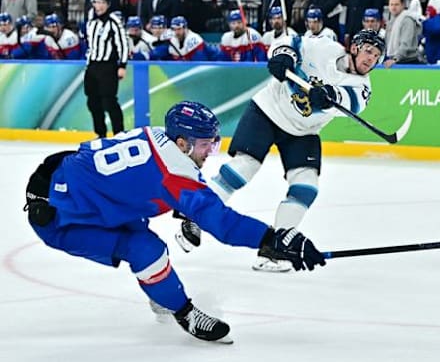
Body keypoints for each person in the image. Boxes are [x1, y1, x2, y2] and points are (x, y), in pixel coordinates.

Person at [24, 101, 326, 343]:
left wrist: (39, 183)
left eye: (214, 143)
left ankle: (162, 294)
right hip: (61, 220)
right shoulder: (175, 174)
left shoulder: (154, 134)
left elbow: (87, 158)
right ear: (182, 143)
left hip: (88, 199)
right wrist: (273, 240)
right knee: (146, 250)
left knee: (145, 242)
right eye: (205, 145)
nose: (210, 152)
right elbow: (223, 224)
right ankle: (184, 312)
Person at [174, 30, 385, 272]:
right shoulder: (324, 47)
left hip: (302, 131)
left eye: (376, 56)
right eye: (368, 51)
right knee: (244, 167)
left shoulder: (362, 87)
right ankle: (195, 213)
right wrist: (284, 55)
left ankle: (275, 248)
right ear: (355, 48)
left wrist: (330, 95)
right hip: (267, 110)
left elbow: (350, 102)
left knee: (307, 185)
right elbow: (289, 42)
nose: (371, 59)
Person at [85, 0, 130, 138]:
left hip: (108, 66)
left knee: (109, 101)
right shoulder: (91, 22)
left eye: (102, 3)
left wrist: (122, 65)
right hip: (93, 65)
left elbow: (123, 44)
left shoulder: (113, 21)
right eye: (96, 2)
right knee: (92, 102)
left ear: (107, 5)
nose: (99, 6)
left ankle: (119, 134)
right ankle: (100, 133)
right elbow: (90, 44)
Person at [384, 0, 423, 67]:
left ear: (402, 5)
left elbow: (406, 44)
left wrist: (395, 59)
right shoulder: (391, 22)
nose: (393, 7)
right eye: (391, 4)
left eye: (396, 4)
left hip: (408, 62)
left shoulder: (407, 20)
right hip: (394, 60)